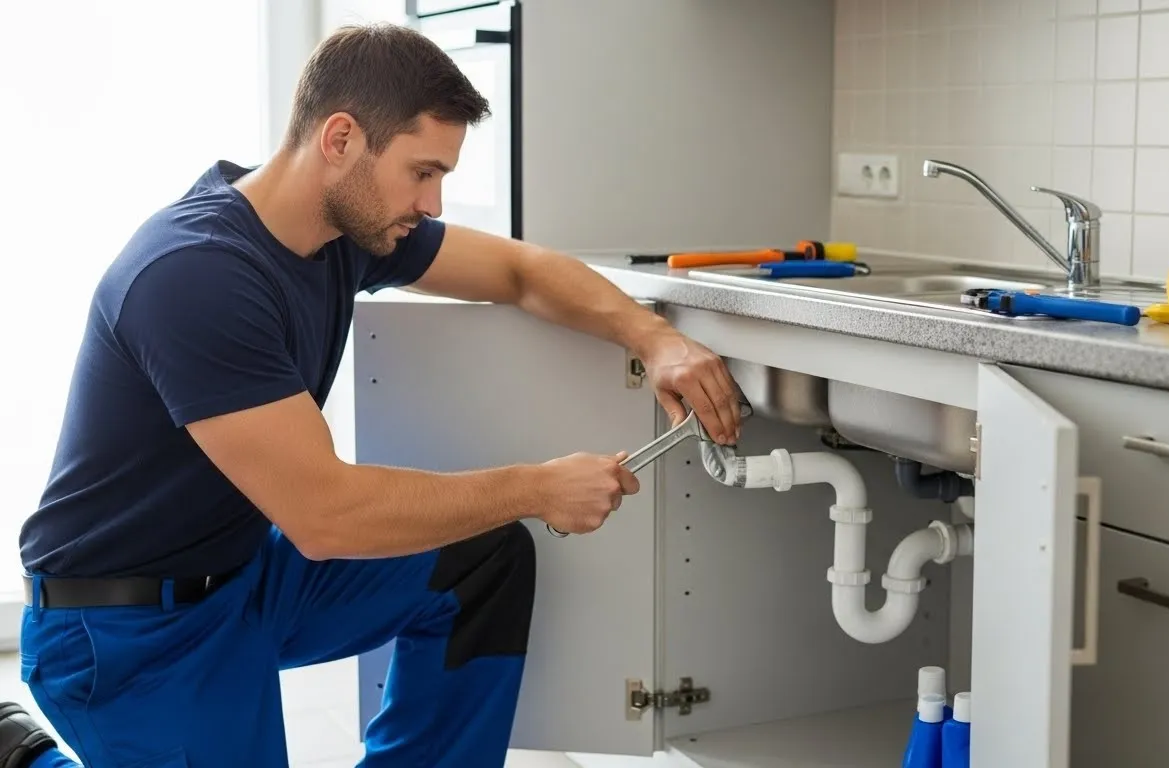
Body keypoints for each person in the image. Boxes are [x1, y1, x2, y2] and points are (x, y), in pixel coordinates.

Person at [2, 21, 744, 768]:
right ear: (340, 139)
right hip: (125, 629)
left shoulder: (340, 234)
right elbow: (326, 517)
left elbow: (522, 271)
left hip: (245, 575)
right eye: (422, 172)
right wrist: (536, 487)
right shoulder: (196, 275)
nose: (434, 201)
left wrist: (655, 339)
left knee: (480, 558)